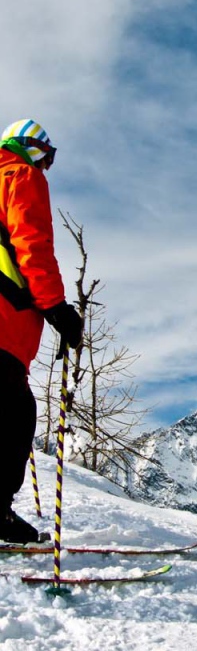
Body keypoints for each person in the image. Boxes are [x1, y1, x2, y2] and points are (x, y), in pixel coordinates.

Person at [0, 119, 82, 543]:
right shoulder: (19, 175)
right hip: (4, 318)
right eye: (47, 157)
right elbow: (31, 242)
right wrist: (57, 309)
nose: (47, 168)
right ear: (30, 148)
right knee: (14, 413)